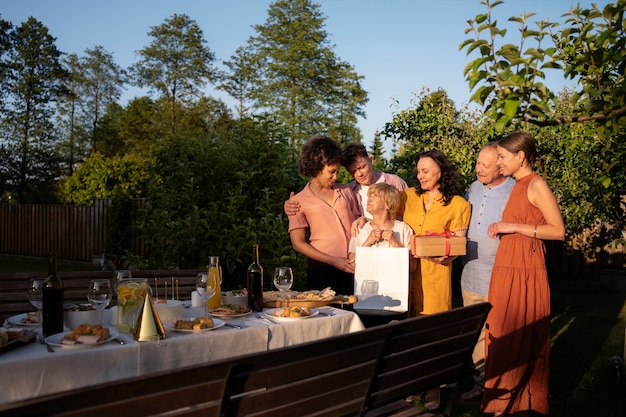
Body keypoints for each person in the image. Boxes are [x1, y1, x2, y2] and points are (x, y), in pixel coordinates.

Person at [481, 131, 565, 417]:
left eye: (503, 157)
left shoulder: (536, 184)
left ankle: (517, 403)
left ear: (521, 156)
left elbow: (558, 230)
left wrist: (513, 226)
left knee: (519, 335)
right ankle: (503, 403)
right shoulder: (516, 185)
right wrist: (503, 226)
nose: (499, 162)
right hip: (507, 267)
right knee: (501, 333)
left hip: (525, 270)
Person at [398, 149, 470, 410]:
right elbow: (385, 217)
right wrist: (362, 219)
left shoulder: (459, 204)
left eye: (425, 171)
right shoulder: (407, 197)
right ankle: (415, 381)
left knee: (434, 333)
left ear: (441, 171)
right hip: (407, 275)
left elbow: (458, 244)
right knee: (412, 333)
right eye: (418, 171)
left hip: (436, 275)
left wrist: (447, 257)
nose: (420, 175)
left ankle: (433, 385)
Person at [459, 142, 515, 401]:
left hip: (501, 273)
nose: (477, 168)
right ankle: (480, 385)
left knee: (501, 331)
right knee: (477, 331)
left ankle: (503, 385)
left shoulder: (515, 190)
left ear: (501, 166)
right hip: (471, 272)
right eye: (477, 163)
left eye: (484, 165)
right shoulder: (473, 188)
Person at [287, 135, 360, 296]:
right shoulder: (298, 201)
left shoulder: (346, 191)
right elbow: (297, 243)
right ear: (316, 167)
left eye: (338, 172)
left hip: (353, 265)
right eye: (331, 172)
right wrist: (332, 260)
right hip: (321, 269)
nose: (336, 177)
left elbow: (359, 221)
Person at [348, 183, 416, 327]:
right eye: (369, 195)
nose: (369, 199)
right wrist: (368, 242)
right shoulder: (361, 229)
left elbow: (413, 266)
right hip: (366, 304)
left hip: (395, 306)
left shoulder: (403, 229)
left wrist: (395, 243)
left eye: (375, 196)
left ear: (387, 204)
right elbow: (351, 264)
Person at [284, 143, 407, 218]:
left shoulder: (394, 182)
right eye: (353, 172)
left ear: (371, 160)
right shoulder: (348, 190)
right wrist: (293, 204)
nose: (359, 174)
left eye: (361, 167)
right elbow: (318, 191)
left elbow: (410, 211)